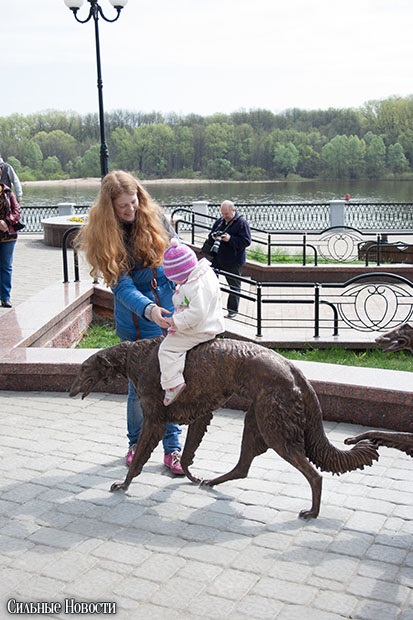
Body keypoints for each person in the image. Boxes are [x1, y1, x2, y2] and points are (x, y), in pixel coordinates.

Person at [76, 170, 184, 474]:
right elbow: (122, 287)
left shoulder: (154, 217)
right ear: (110, 207)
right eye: (123, 206)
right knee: (139, 389)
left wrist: (190, 280)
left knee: (171, 383)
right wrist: (150, 311)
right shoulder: (106, 233)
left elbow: (176, 255)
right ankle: (137, 444)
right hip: (138, 322)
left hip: (168, 316)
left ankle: (173, 449)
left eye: (133, 202)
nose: (130, 210)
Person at [159, 238, 225, 406]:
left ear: (181, 274)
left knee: (167, 349)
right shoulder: (203, 274)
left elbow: (197, 313)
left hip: (201, 328)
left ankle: (173, 383)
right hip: (207, 323)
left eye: (175, 280)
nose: (175, 283)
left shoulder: (195, 285)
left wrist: (174, 322)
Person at [204, 200, 251, 318]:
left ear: (233, 210)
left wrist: (230, 239)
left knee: (234, 287)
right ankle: (212, 309)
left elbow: (246, 241)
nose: (224, 216)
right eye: (222, 214)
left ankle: (232, 311)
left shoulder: (241, 223)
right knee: (211, 284)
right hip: (217, 258)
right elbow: (210, 236)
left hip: (233, 261)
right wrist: (213, 237)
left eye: (226, 214)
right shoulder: (220, 221)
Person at [0, 183, 21, 308]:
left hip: (8, 236)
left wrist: (7, 221)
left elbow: (17, 211)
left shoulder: (7, 192)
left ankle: (5, 297)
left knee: (6, 266)